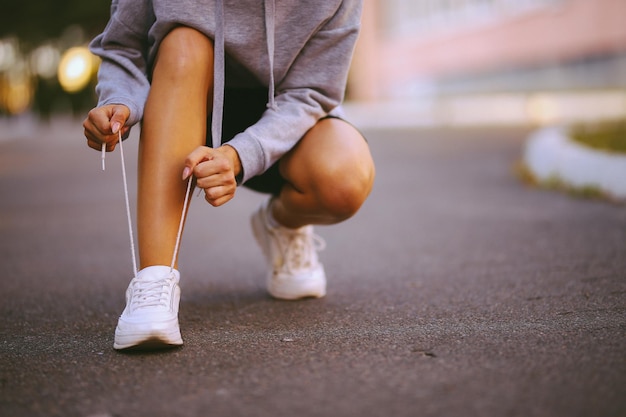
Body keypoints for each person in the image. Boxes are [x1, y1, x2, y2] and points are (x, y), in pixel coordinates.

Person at [83, 0, 375, 351]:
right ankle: (153, 282)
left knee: (345, 177)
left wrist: (241, 154)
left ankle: (282, 223)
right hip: (181, 99)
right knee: (184, 41)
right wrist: (120, 99)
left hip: (286, 117)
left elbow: (313, 90)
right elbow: (123, 45)